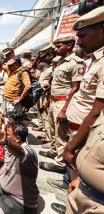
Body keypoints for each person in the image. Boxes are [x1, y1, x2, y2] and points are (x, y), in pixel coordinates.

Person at [62, 6, 104, 213]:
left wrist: (71, 146)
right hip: (83, 133)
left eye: (83, 36)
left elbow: (96, 109)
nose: (78, 41)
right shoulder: (95, 60)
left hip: (86, 132)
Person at [39, 34, 85, 174]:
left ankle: (60, 163)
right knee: (53, 131)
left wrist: (64, 109)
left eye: (59, 46)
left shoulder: (75, 62)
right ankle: (55, 152)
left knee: (61, 134)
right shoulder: (60, 61)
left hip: (63, 102)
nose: (56, 49)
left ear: (69, 46)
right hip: (54, 100)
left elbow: (75, 88)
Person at [0, 121, 39, 214]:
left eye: (7, 134)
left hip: (17, 200)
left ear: (17, 138)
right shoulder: (9, 148)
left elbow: (21, 152)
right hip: (3, 188)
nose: (4, 136)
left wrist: (5, 142)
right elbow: (5, 163)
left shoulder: (29, 153)